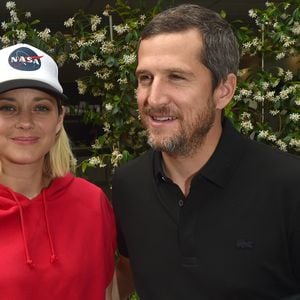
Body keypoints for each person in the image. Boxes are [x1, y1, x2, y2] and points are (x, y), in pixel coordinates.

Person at [112, 4, 300, 300]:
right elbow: (126, 272)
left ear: (223, 90)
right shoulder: (127, 185)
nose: (154, 97)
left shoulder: (289, 184)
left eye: (176, 77)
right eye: (145, 78)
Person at [0, 43, 116, 300]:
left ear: (59, 118)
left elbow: (107, 291)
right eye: (8, 107)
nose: (26, 122)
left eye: (41, 107)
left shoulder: (92, 203)